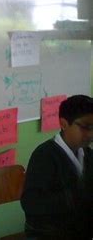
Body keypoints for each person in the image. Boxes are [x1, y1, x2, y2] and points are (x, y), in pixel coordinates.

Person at [21, 94, 93, 239]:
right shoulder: (44, 156)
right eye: (86, 127)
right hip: (50, 233)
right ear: (64, 123)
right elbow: (30, 203)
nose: (91, 134)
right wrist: (77, 196)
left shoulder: (88, 154)